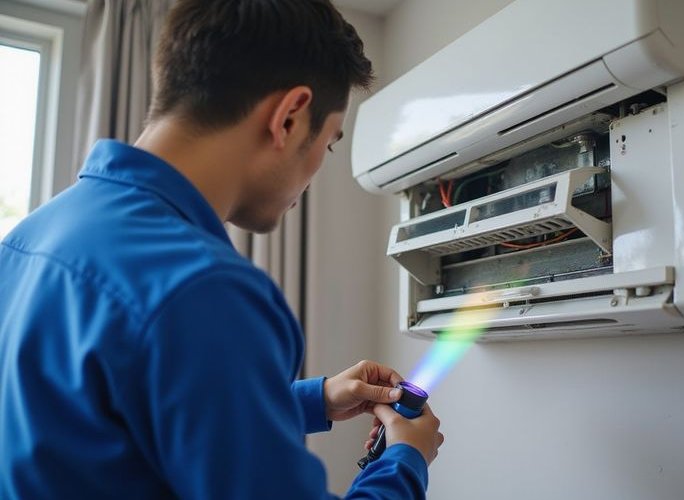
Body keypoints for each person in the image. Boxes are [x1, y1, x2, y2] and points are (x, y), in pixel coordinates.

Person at [0, 0, 444, 498]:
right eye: (331, 142)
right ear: (291, 116)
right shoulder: (204, 288)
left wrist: (312, 400)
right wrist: (406, 459)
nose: (320, 166)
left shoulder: (26, 239)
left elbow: (110, 421)